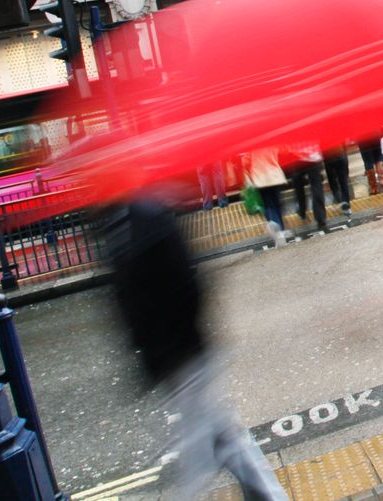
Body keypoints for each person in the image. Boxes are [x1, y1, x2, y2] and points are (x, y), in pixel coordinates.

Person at [102, 197, 287, 501]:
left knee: (196, 455)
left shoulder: (147, 217)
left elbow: (186, 285)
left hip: (183, 353)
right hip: (171, 356)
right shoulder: (115, 221)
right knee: (223, 438)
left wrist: (172, 345)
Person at [242, 148, 288, 247]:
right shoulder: (270, 141)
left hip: (260, 178)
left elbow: (245, 162)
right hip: (274, 176)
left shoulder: (251, 145)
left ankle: (276, 229)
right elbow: (281, 152)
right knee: (276, 203)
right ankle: (281, 230)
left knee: (268, 205)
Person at [286, 144, 328, 234]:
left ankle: (302, 210)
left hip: (297, 158)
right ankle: (320, 217)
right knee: (316, 186)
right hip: (313, 156)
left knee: (298, 185)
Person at [322, 144, 352, 214]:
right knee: (343, 181)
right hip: (340, 154)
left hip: (328, 157)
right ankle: (346, 206)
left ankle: (339, 200)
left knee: (332, 181)